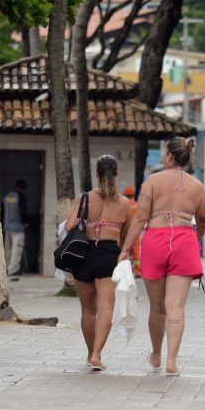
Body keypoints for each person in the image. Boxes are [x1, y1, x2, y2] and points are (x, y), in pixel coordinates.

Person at [119, 136, 205, 376]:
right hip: (185, 241)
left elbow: (140, 218)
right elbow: (203, 220)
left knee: (158, 308)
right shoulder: (198, 186)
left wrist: (125, 248)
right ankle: (171, 361)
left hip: (155, 241)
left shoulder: (152, 181)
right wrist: (196, 240)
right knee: (176, 306)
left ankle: (156, 354)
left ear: (169, 156)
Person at [64, 155, 132, 371]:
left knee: (87, 309)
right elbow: (126, 236)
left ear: (97, 173)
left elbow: (69, 226)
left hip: (82, 254)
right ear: (116, 174)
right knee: (106, 307)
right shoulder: (124, 203)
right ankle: (97, 354)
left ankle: (89, 353)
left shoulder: (84, 198)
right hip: (108, 255)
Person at [3, 180, 29, 276]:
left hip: (7, 227)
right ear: (23, 188)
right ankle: (13, 270)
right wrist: (26, 222)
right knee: (16, 249)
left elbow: (2, 211)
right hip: (17, 227)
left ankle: (7, 268)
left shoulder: (7, 197)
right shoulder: (20, 196)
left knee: (8, 249)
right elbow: (23, 211)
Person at [122, 186, 141, 278]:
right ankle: (138, 271)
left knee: (124, 250)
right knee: (136, 251)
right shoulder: (137, 205)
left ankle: (125, 271)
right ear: (133, 195)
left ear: (124, 194)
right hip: (135, 232)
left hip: (124, 231)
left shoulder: (122, 205)